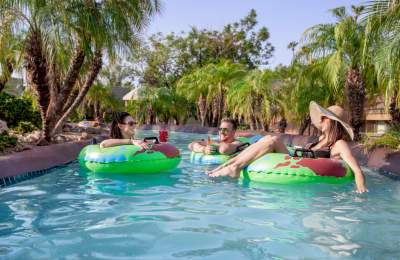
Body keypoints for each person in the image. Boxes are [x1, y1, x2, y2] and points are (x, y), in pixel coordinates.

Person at [208, 101, 368, 194]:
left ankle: (234, 167)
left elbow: (357, 169)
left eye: (325, 118)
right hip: (298, 160)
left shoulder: (339, 144)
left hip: (302, 166)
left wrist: (360, 190)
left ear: (333, 122)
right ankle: (227, 165)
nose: (321, 119)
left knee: (273, 140)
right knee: (269, 138)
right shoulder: (319, 139)